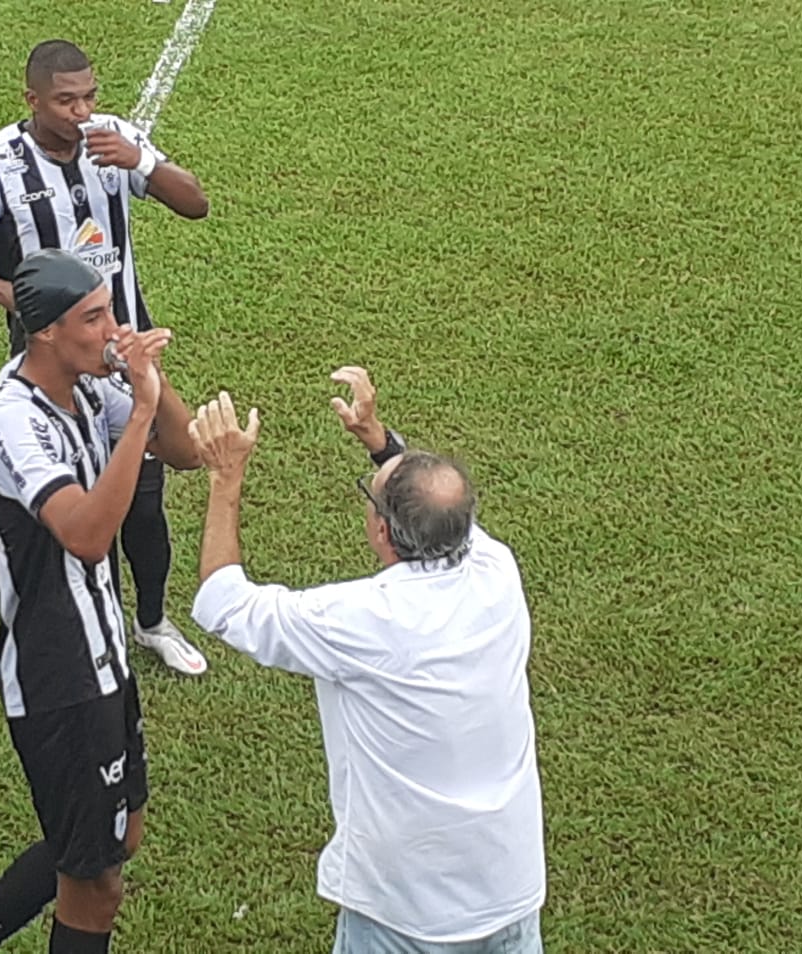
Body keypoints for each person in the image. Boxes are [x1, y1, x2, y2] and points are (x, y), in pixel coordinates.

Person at [186, 367, 547, 954]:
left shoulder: (360, 620)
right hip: (510, 890)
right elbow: (440, 508)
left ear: (381, 531)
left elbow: (224, 604)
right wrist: (380, 441)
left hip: (404, 911)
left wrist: (226, 478)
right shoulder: (496, 570)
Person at [0, 249, 201, 954]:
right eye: (93, 317)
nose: (112, 329)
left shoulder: (89, 390)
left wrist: (150, 385)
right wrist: (139, 415)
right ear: (44, 331)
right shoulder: (12, 422)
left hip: (105, 655)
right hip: (57, 674)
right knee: (94, 885)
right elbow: (88, 537)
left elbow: (186, 450)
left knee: (115, 839)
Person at [0, 38, 210, 675]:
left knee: (144, 499)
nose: (82, 111)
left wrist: (142, 160)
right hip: (51, 367)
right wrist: (14, 297)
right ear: (33, 100)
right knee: (72, 507)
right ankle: (86, 623)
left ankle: (151, 621)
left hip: (124, 353)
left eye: (90, 96)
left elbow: (196, 203)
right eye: (66, 101)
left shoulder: (113, 138)